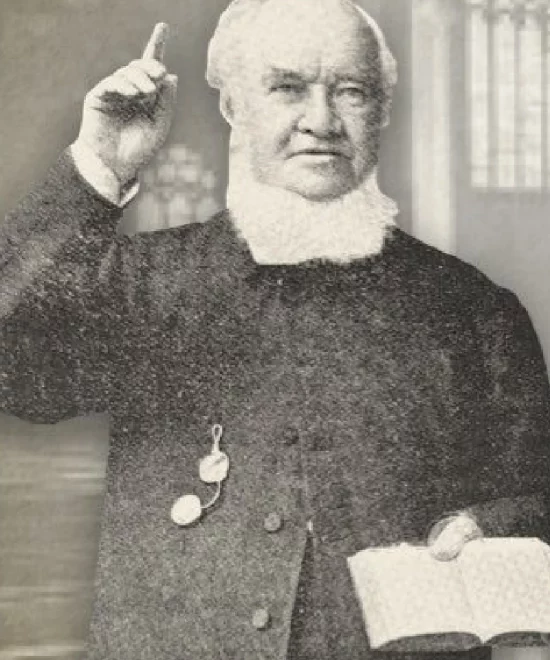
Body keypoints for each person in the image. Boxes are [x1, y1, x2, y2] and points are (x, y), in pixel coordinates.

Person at [1, 1, 549, 658]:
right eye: (287, 88)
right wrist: (99, 164)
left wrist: (492, 527)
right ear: (234, 106)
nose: (320, 120)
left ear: (381, 110)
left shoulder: (473, 310)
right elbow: (17, 372)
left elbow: (536, 497)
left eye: (350, 91)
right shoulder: (143, 284)